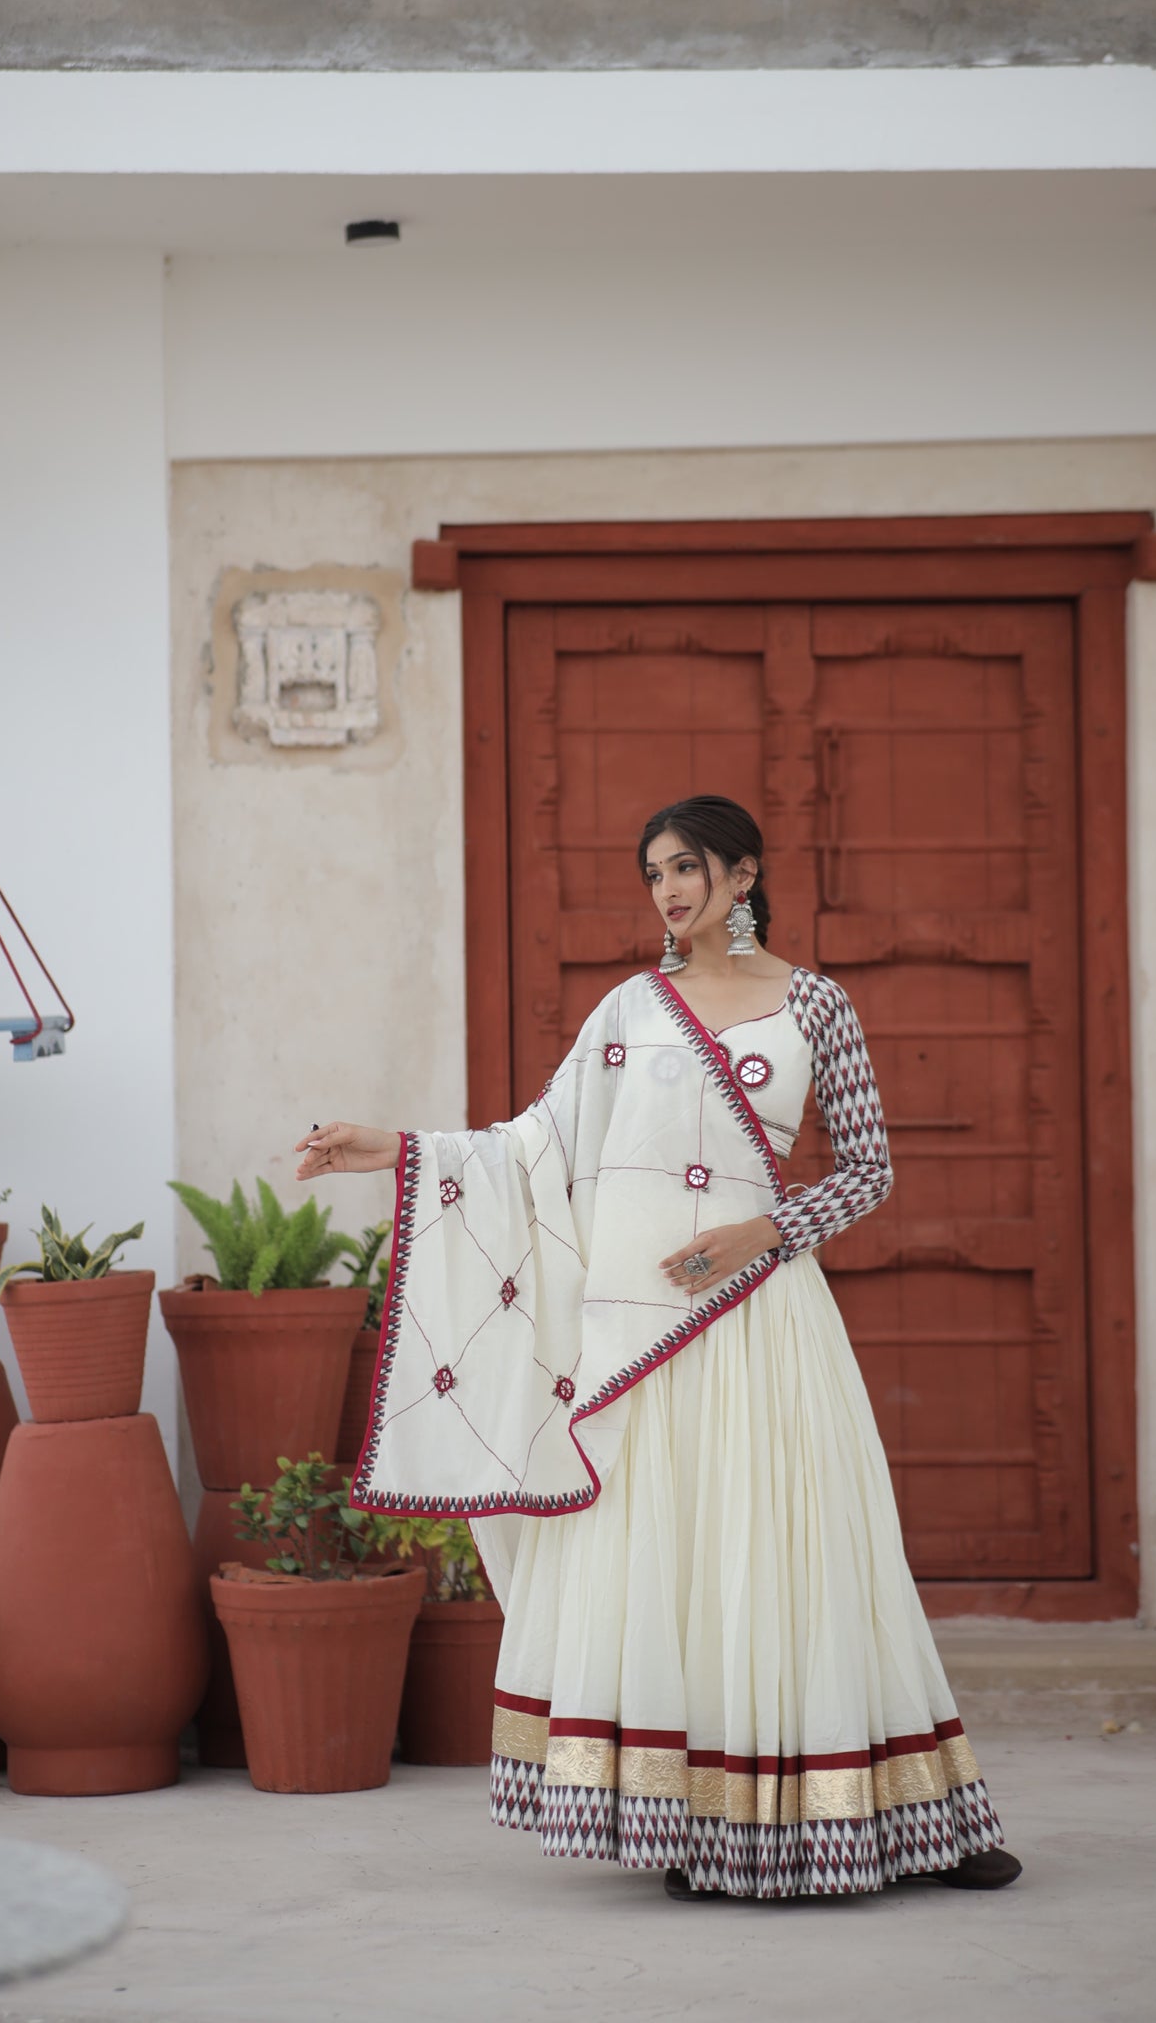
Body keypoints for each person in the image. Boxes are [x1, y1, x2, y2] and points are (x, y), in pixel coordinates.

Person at [295, 794, 1020, 1899]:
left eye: (686, 867)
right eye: (653, 873)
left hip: (761, 1325)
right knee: (677, 1561)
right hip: (640, 1335)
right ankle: (700, 1821)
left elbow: (868, 1171)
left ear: (742, 874)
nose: (668, 891)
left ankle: (902, 1813)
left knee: (796, 1553)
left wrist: (762, 1229)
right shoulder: (630, 1010)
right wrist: (386, 1147)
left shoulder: (814, 1004)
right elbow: (531, 1146)